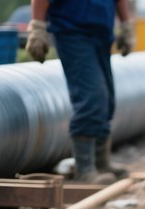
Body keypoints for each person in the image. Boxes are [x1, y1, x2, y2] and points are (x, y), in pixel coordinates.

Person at [26, 0, 135, 182]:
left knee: (106, 100)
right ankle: (84, 170)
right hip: (73, 32)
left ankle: (101, 163)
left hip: (101, 34)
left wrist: (126, 25)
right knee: (91, 98)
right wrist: (38, 26)